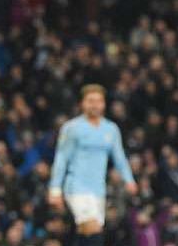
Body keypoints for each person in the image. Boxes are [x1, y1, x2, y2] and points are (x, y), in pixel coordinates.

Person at [48, 84, 137, 246]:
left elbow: (119, 158)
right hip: (76, 187)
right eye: (90, 101)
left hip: (98, 189)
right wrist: (55, 189)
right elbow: (61, 158)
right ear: (82, 103)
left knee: (84, 233)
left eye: (98, 101)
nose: (94, 105)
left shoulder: (111, 129)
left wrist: (129, 180)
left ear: (104, 104)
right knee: (93, 229)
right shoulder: (72, 128)